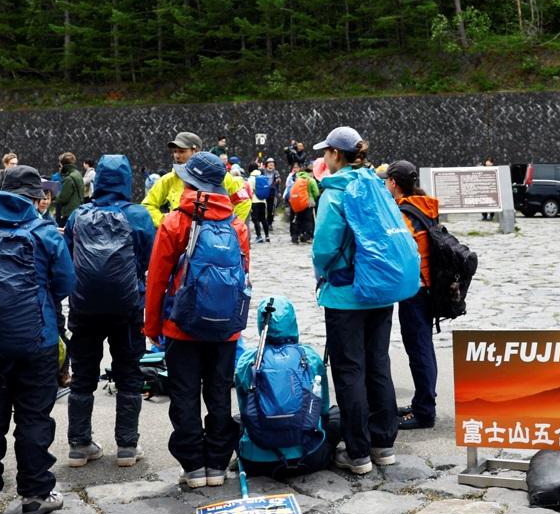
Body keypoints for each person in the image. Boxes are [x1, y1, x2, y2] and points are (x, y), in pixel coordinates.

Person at [0, 165, 74, 514]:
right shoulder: (44, 231)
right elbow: (64, 284)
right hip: (36, 341)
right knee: (34, 419)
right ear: (35, 198)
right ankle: (35, 494)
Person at [143, 152, 251, 489]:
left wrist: (152, 327)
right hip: (225, 330)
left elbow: (157, 281)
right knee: (219, 393)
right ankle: (217, 464)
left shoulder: (175, 222)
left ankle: (193, 467)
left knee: (185, 394)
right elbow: (242, 276)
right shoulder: (236, 225)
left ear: (189, 183)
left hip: (182, 326)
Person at [310, 126, 399, 475]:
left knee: (349, 370)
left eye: (325, 152)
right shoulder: (378, 187)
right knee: (378, 364)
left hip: (346, 294)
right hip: (380, 290)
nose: (322, 158)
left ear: (336, 154)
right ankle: (384, 445)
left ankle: (358, 453)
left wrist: (322, 274)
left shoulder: (334, 194)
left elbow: (324, 248)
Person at [64, 155, 155, 469]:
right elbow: (149, 260)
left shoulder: (78, 215)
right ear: (127, 180)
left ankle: (79, 445)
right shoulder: (139, 215)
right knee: (129, 376)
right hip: (127, 307)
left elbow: (68, 258)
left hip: (84, 307)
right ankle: (127, 447)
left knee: (83, 377)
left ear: (98, 179)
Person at [234, 297, 341, 478]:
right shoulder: (310, 356)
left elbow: (245, 409)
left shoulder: (248, 360)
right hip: (310, 456)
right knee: (336, 414)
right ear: (293, 322)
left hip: (256, 463)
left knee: (237, 420)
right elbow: (321, 408)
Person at [384, 160, 438, 431]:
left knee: (419, 350)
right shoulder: (423, 205)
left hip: (415, 290)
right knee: (423, 346)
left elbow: (400, 251)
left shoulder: (405, 213)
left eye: (387, 180)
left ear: (394, 182)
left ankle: (425, 412)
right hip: (427, 286)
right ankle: (422, 401)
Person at [142, 132, 252, 226]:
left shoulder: (220, 176)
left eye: (182, 151)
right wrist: (165, 222)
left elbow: (243, 201)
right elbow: (147, 205)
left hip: (210, 243)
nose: (177, 156)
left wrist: (231, 228)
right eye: (175, 151)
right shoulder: (169, 179)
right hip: (180, 242)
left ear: (195, 151)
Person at [285, 163, 320, 244]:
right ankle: (307, 236)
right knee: (308, 221)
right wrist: (313, 199)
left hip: (298, 203)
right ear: (311, 172)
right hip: (308, 203)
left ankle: (295, 236)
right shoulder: (311, 180)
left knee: (298, 220)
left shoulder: (298, 179)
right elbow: (316, 192)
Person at [54, 152, 85, 229]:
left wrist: (55, 196)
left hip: (68, 213)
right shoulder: (78, 174)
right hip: (77, 210)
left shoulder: (69, 178)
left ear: (63, 165)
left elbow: (63, 198)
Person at [248, 168, 272, 243]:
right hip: (263, 201)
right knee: (263, 219)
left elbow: (249, 191)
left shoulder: (250, 179)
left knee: (256, 220)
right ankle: (267, 236)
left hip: (254, 201)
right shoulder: (263, 177)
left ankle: (259, 236)